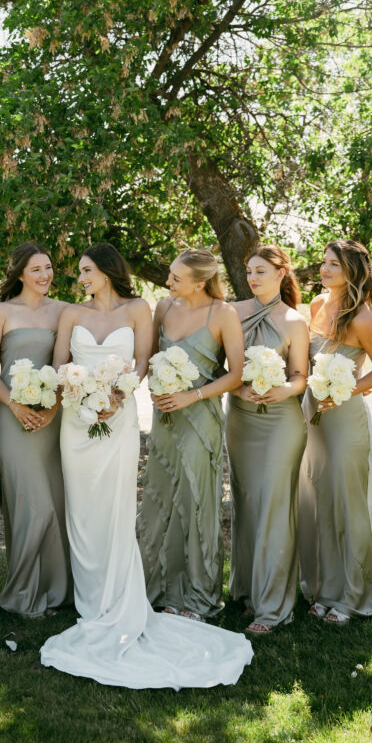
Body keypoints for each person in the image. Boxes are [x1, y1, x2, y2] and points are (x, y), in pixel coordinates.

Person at [40, 243, 253, 689]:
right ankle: (91, 599)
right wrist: (77, 395)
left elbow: (143, 361)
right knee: (82, 508)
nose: (79, 278)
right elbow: (61, 363)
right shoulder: (72, 313)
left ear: (107, 271)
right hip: (76, 421)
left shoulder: (141, 307)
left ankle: (132, 593)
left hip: (119, 418)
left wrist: (117, 394)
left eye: (85, 270)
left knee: (118, 506)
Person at [138, 249, 245, 621]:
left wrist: (192, 394)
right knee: (159, 500)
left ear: (200, 282)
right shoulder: (164, 308)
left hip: (201, 418)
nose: (168, 283)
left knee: (197, 502)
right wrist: (155, 388)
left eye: (176, 278)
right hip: (165, 418)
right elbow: (150, 358)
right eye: (169, 275)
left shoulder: (223, 314)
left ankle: (198, 598)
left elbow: (236, 373)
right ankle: (156, 590)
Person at [298, 239, 372, 624]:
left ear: (351, 270)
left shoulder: (362, 317)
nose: (323, 270)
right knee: (318, 500)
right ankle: (325, 589)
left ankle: (354, 596)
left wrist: (344, 389)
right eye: (323, 263)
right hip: (312, 416)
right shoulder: (317, 306)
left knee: (348, 504)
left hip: (344, 420)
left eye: (333, 265)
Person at [0, 242, 71, 618]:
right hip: (13, 416)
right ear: (20, 274)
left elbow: (66, 366)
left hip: (53, 417)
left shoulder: (65, 311)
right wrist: (15, 405)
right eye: (36, 269)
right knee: (28, 502)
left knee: (54, 500)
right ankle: (23, 591)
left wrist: (52, 409)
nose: (45, 275)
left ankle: (56, 590)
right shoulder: (1, 312)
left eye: (48, 268)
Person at [226, 244, 308, 634]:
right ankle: (247, 592)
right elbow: (217, 364)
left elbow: (300, 377)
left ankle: (273, 607)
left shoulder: (293, 321)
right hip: (240, 418)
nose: (253, 278)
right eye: (249, 272)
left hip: (280, 422)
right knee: (247, 502)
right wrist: (238, 391)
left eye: (261, 271)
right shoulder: (232, 312)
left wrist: (283, 391)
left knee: (275, 505)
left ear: (281, 274)